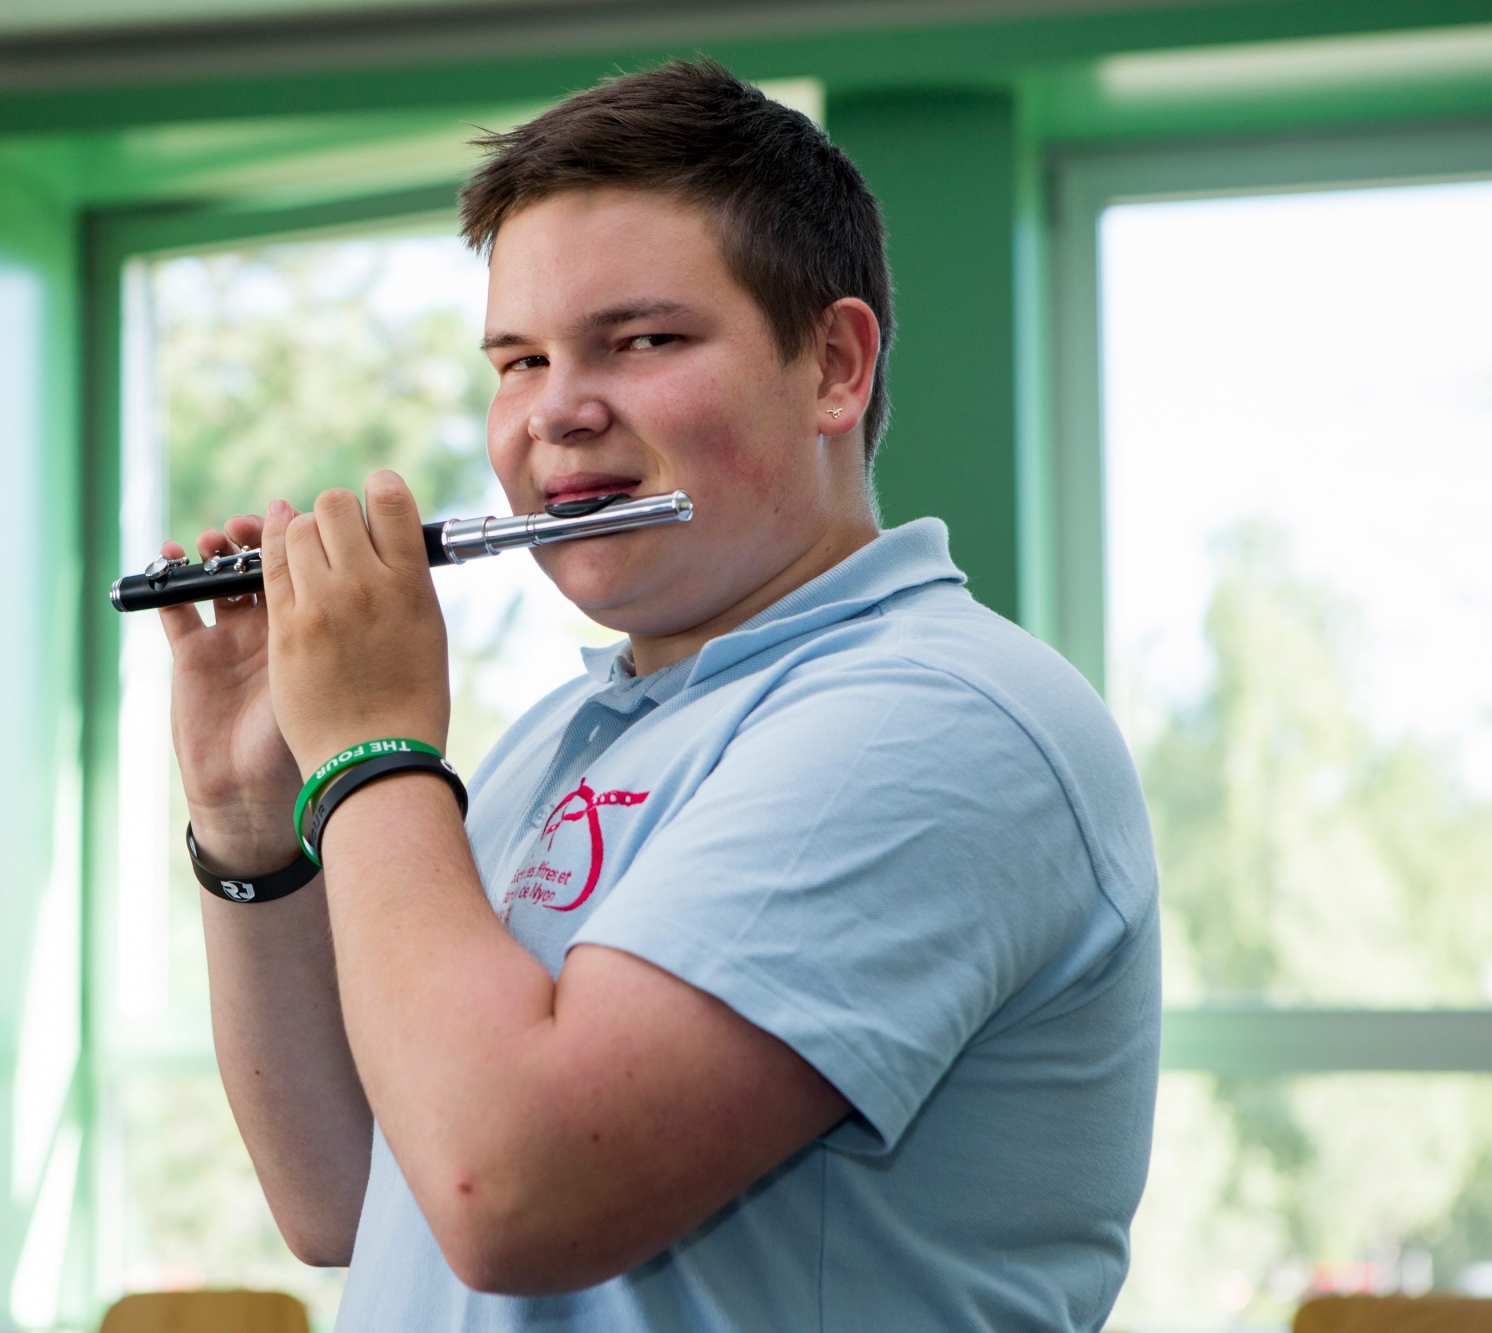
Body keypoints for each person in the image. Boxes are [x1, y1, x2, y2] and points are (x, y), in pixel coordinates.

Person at [156, 58, 1160, 1332]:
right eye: (517, 360)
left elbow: (508, 1190)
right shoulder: (557, 742)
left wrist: (367, 753)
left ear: (833, 368)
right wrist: (255, 820)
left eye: (640, 341)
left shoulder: (936, 718)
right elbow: (344, 1198)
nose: (556, 415)